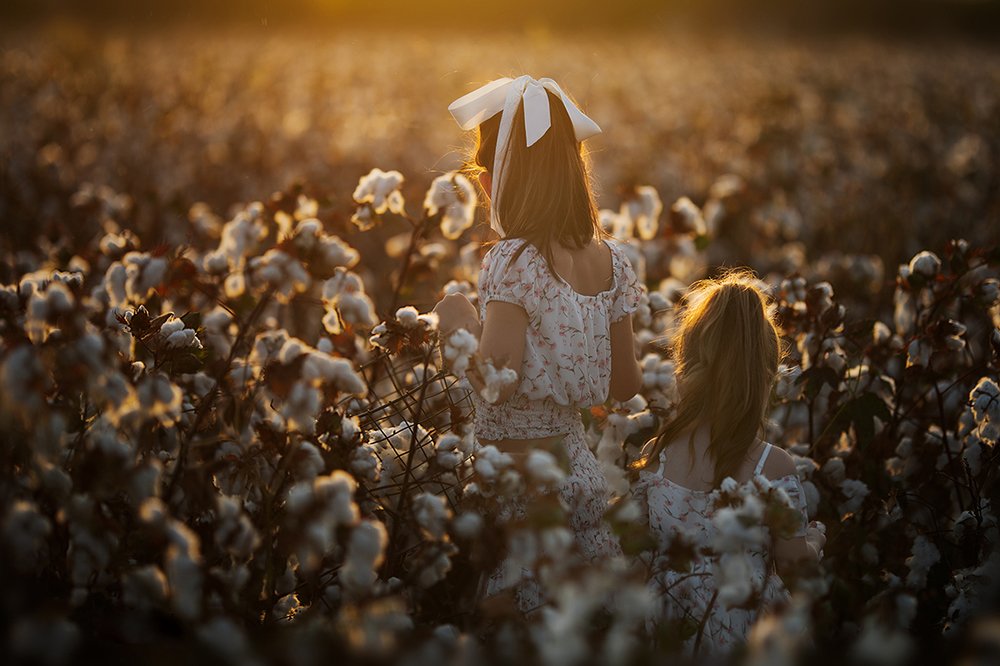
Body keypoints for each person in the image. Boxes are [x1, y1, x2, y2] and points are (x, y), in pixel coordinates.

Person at [432, 75, 645, 612]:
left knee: (513, 616)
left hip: (520, 480)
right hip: (577, 467)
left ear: (511, 175)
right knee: (575, 618)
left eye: (486, 169)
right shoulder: (613, 260)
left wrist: (455, 323)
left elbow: (496, 383)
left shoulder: (515, 259)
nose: (482, 184)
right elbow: (626, 384)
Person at [626, 270, 826, 657]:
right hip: (744, 635)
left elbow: (637, 561)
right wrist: (815, 543)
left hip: (670, 632)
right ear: (765, 375)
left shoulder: (657, 456)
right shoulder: (773, 467)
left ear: (687, 360)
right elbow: (794, 567)